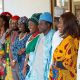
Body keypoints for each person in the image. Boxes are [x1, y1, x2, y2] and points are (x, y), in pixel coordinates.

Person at [49, 12, 80, 80]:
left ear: (68, 24)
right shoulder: (67, 39)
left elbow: (71, 63)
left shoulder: (70, 41)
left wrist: (57, 63)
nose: (58, 25)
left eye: (60, 22)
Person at [25, 12, 55, 80]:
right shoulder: (40, 36)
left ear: (48, 24)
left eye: (41, 24)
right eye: (38, 24)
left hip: (46, 74)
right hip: (35, 73)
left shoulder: (54, 36)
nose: (38, 26)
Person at [23, 13, 41, 77]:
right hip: (30, 66)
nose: (28, 27)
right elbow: (28, 52)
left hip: (36, 68)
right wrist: (25, 66)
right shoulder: (31, 36)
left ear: (38, 25)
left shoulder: (40, 37)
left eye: (31, 25)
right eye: (28, 25)